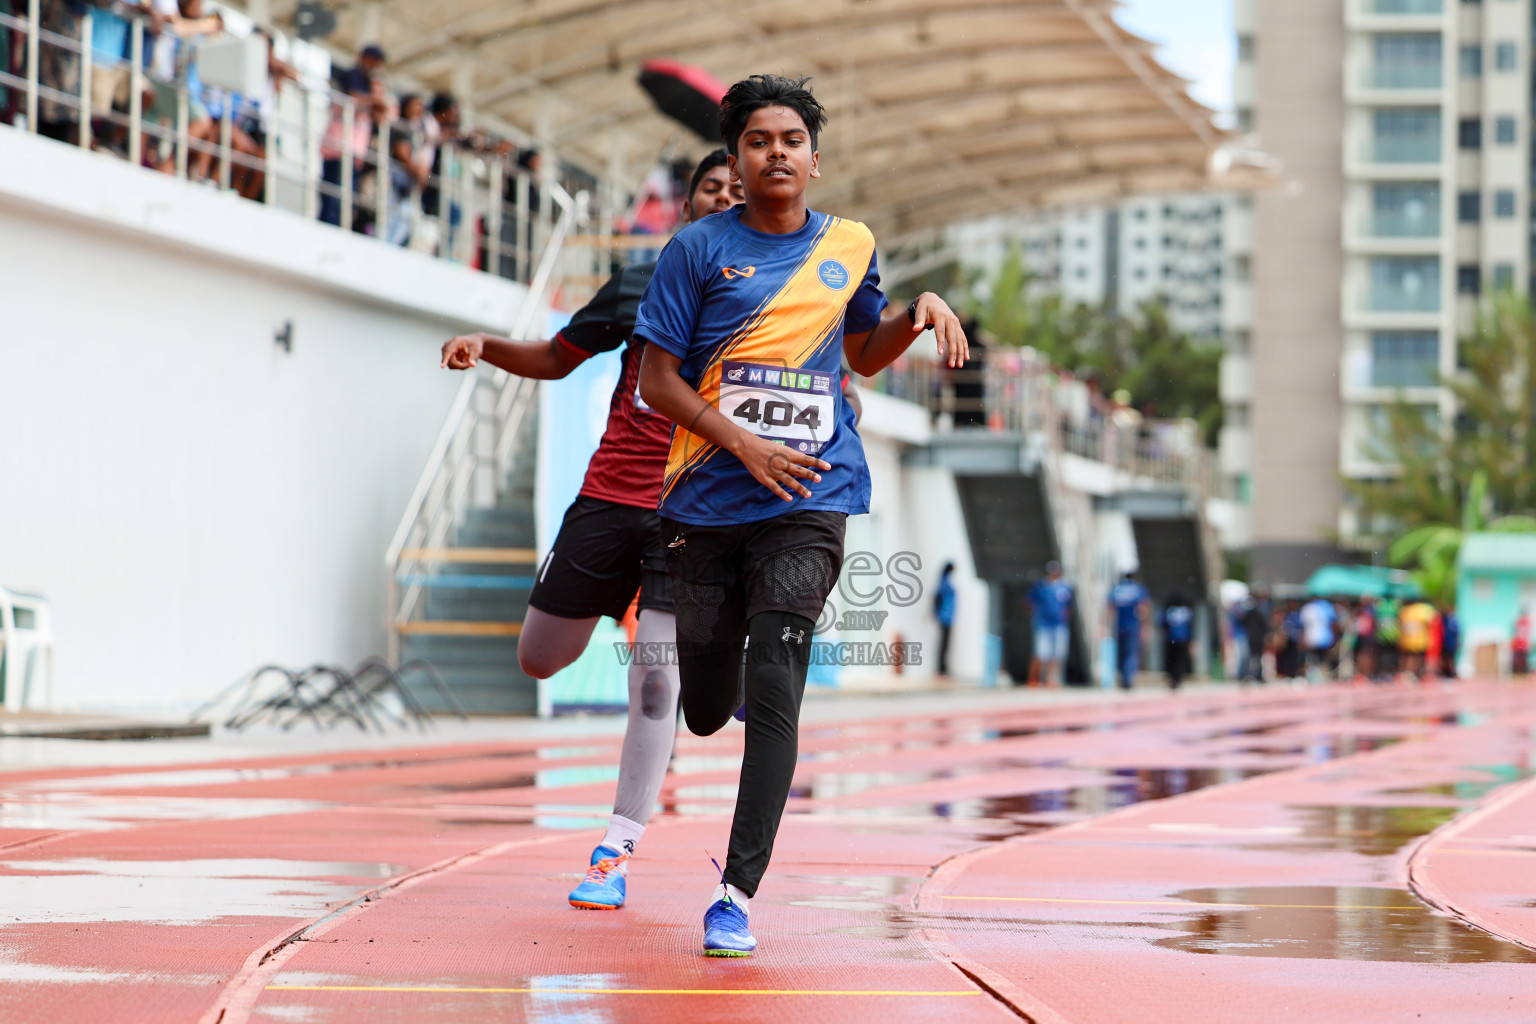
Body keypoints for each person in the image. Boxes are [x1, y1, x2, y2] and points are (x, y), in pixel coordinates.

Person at [633, 74, 968, 957]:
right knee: (706, 707)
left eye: (791, 139)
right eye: (757, 141)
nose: (775, 152)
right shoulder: (696, 251)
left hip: (810, 497)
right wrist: (739, 443)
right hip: (706, 500)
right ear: (736, 162)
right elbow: (655, 381)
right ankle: (725, 681)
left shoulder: (850, 244)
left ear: (814, 160)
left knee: (778, 674)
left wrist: (914, 317)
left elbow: (862, 349)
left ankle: (736, 892)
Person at [439, 150, 743, 912]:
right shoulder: (639, 284)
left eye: (737, 191)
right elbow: (555, 356)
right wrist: (486, 346)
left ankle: (614, 850)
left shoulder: (768, 298)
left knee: (653, 687)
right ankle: (644, 613)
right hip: (607, 498)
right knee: (540, 658)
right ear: (685, 205)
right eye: (711, 186)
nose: (724, 197)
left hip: (687, 512)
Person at [319, 43, 387, 226]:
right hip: (337, 146)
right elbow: (353, 97)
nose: (375, 66)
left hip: (354, 152)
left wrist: (377, 94)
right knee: (332, 196)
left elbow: (381, 114)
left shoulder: (370, 83)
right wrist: (376, 98)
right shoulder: (352, 75)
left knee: (346, 200)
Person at [1028, 561, 1074, 688]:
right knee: (1040, 653)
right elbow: (1030, 602)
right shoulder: (1041, 586)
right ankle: (1034, 679)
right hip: (1043, 624)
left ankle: (1051, 680)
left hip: (1059, 624)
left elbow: (1069, 606)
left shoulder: (1065, 587)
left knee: (1057, 654)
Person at [1107, 571, 1149, 690]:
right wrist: (1145, 626)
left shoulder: (1117, 589)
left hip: (1120, 626)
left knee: (1121, 653)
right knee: (1131, 653)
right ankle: (1128, 679)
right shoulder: (1138, 589)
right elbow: (1143, 609)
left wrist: (1105, 626)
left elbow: (1110, 609)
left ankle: (1123, 677)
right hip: (1133, 626)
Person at [1299, 594, 1339, 682]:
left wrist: (1302, 639)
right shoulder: (1326, 606)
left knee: (1312, 659)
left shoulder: (1307, 608)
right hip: (1325, 638)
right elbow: (1334, 624)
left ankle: (1314, 677)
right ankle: (1322, 677)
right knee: (1322, 660)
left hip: (1311, 638)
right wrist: (1335, 637)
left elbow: (1303, 627)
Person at [1161, 593, 1194, 690]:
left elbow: (1163, 624)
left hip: (1171, 638)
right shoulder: (1186, 611)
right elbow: (1191, 626)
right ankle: (1178, 678)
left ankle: (1173, 678)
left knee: (1172, 660)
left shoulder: (1169, 610)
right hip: (1183, 638)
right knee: (1180, 660)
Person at [1398, 598, 1436, 681]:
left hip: (1407, 640)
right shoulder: (1423, 610)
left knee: (1408, 657)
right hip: (1419, 640)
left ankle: (1408, 673)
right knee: (1417, 658)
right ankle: (1415, 674)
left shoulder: (1405, 611)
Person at [1239, 592, 1270, 683]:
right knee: (1256, 657)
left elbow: (1243, 623)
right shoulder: (1259, 612)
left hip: (1252, 638)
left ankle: (1252, 674)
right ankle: (1255, 675)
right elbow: (1264, 626)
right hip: (1257, 638)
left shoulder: (1250, 613)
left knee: (1254, 657)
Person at [933, 562, 957, 679]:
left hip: (948, 617)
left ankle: (943, 668)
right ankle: (941, 669)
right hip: (945, 617)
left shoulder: (945, 581)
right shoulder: (944, 582)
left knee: (946, 644)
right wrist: (936, 613)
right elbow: (937, 599)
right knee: (943, 644)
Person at [1439, 603, 1459, 679]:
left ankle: (1451, 673)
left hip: (1450, 644)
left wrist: (1456, 643)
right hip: (1444, 643)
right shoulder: (1443, 620)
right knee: (1445, 659)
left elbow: (1456, 633)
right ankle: (1445, 672)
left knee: (1450, 659)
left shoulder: (1452, 621)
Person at [1512, 607, 1531, 676]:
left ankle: (1523, 674)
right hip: (1518, 644)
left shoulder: (1527, 622)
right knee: (1517, 660)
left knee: (1523, 660)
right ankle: (1517, 673)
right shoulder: (1519, 622)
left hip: (1523, 644)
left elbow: (1528, 634)